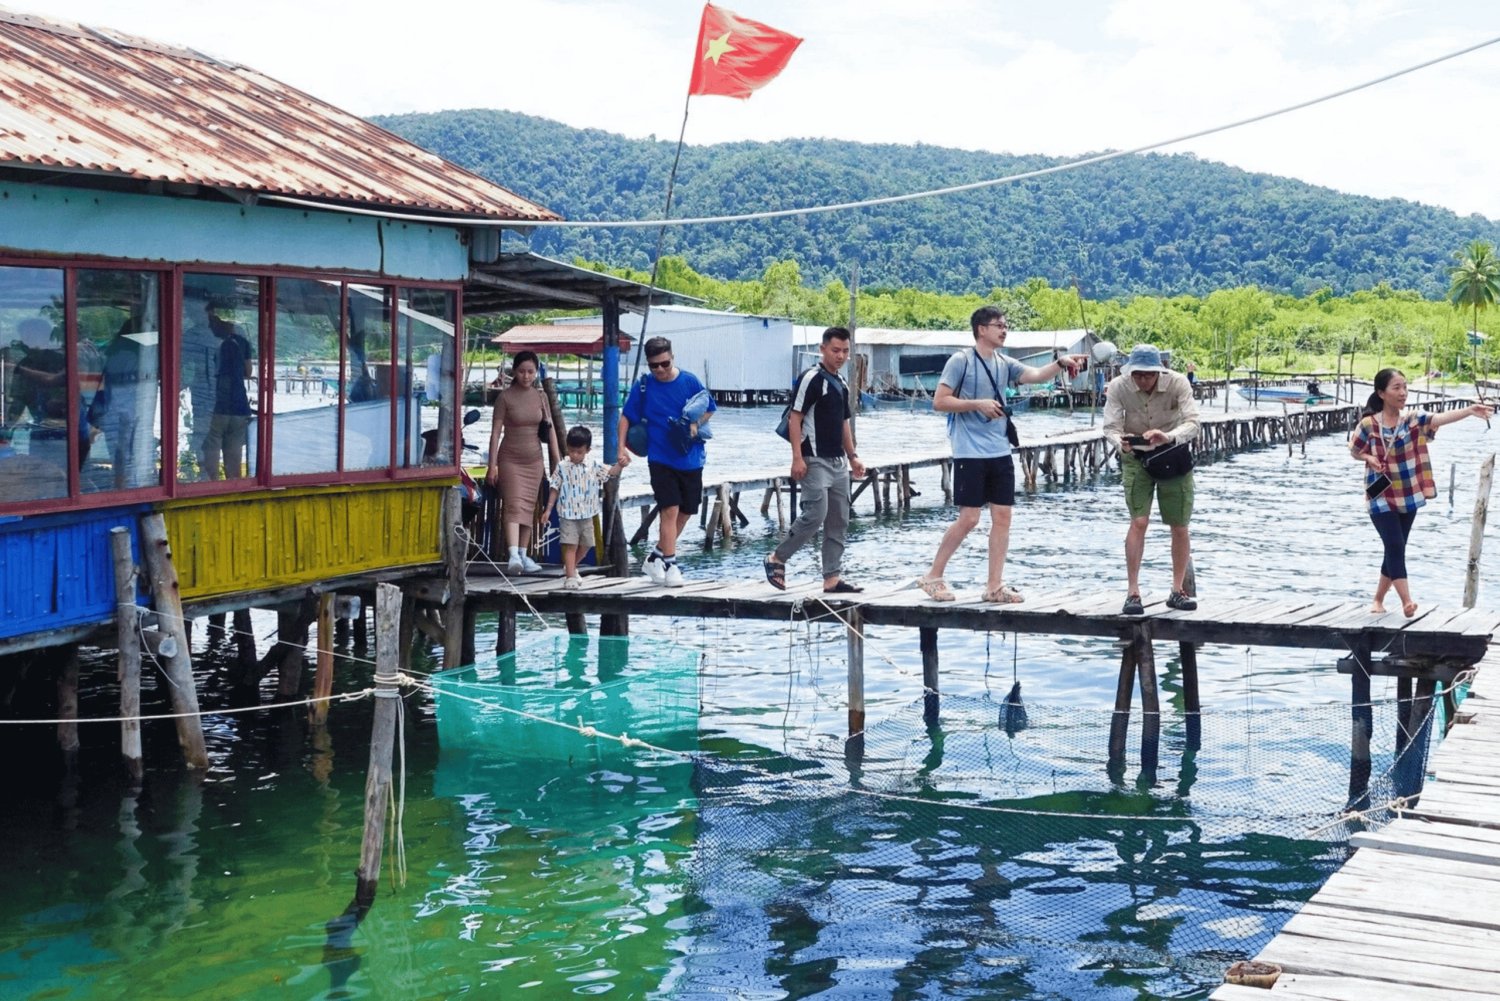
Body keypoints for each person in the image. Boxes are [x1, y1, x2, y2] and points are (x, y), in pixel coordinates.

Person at [917, 307, 1086, 603]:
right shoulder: (961, 361)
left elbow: (1035, 375)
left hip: (999, 449)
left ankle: (994, 586)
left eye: (1006, 325)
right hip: (969, 451)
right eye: (999, 325)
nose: (1004, 330)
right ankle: (933, 576)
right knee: (969, 518)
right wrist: (977, 404)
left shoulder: (1003, 362)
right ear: (981, 329)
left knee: (1003, 516)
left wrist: (1060, 362)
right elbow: (939, 402)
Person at [1349, 368, 1491, 617]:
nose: (1403, 392)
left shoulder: (1411, 420)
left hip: (1408, 494)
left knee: (1396, 547)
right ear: (1381, 393)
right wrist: (1369, 457)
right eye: (1396, 388)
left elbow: (1439, 419)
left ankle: (1378, 600)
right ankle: (1407, 601)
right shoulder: (1368, 425)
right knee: (1394, 544)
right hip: (1379, 495)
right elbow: (1354, 450)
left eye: (1404, 386)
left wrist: (1469, 411)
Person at [763, 326, 867, 593]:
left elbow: (844, 422)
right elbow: (794, 417)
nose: (840, 356)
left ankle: (831, 577)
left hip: (838, 462)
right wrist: (797, 457)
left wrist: (853, 456)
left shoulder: (842, 383)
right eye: (835, 350)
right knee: (814, 514)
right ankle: (777, 558)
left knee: (839, 519)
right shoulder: (811, 378)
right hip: (814, 458)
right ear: (822, 349)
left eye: (845, 351)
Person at [1102, 343, 1201, 615]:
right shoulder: (1119, 387)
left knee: (1179, 524)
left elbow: (1193, 422)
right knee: (1139, 521)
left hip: (1172, 453)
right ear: (1130, 372)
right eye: (1138, 374)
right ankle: (1133, 592)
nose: (1143, 379)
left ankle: (1178, 590)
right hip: (1136, 457)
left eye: (1148, 374)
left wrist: (1168, 436)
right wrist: (1119, 441)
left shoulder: (1179, 383)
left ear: (1160, 371)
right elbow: (1110, 426)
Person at [619, 336, 716, 587]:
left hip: (691, 458)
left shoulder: (689, 380)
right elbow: (626, 418)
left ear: (672, 357)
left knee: (687, 511)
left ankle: (655, 556)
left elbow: (710, 407)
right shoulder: (644, 386)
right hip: (660, 457)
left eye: (664, 363)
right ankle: (671, 564)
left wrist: (696, 423)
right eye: (654, 365)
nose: (660, 370)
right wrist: (621, 449)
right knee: (669, 509)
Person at [487, 350, 559, 573]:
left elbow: (551, 429)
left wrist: (557, 462)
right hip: (510, 458)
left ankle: (524, 554)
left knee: (528, 506)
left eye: (531, 372)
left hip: (534, 460)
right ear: (514, 372)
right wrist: (492, 466)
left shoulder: (541, 397)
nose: (526, 376)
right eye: (522, 371)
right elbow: (495, 432)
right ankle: (512, 555)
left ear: (536, 372)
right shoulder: (505, 397)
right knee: (513, 504)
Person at [541, 425, 630, 588]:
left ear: (587, 450)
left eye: (579, 452)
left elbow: (611, 473)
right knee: (570, 545)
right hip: (568, 514)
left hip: (587, 513)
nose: (574, 455)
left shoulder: (593, 465)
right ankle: (570, 577)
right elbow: (554, 487)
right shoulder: (562, 467)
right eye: (571, 451)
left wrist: (621, 465)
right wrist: (548, 509)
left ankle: (571, 567)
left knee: (588, 544)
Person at [201, 303, 254, 480]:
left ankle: (212, 485)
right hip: (240, 405)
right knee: (234, 453)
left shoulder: (209, 341)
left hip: (216, 404)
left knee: (212, 444)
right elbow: (248, 371)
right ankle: (233, 489)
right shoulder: (242, 342)